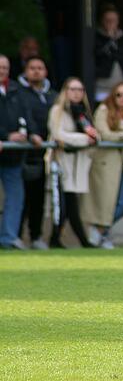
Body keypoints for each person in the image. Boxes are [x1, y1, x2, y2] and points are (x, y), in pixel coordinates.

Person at [80, 81, 123, 249]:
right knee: (106, 202)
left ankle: (100, 231)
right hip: (106, 163)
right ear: (113, 96)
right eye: (119, 94)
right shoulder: (104, 110)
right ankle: (101, 233)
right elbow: (104, 134)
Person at [47, 77, 97, 249]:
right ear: (66, 91)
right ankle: (80, 241)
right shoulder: (57, 111)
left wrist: (90, 138)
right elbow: (59, 135)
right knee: (64, 204)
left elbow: (94, 136)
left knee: (70, 204)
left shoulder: (83, 113)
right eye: (73, 89)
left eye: (80, 89)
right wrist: (84, 139)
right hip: (62, 163)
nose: (77, 93)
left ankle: (58, 239)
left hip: (79, 164)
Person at [0, 55, 42, 250]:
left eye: (5, 67)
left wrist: (32, 134)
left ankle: (8, 238)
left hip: (11, 156)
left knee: (16, 197)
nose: (3, 71)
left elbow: (27, 116)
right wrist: (6, 136)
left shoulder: (17, 91)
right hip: (6, 147)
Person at [17, 57, 57, 250]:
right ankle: (15, 236)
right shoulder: (18, 93)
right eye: (32, 68)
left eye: (40, 68)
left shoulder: (53, 95)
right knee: (20, 197)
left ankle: (35, 236)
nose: (36, 71)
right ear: (26, 71)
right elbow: (24, 116)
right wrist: (32, 134)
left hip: (44, 154)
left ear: (45, 72)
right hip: (24, 153)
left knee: (38, 198)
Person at [95, 5, 123, 101]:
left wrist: (114, 41)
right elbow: (98, 55)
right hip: (103, 85)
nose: (111, 23)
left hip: (122, 85)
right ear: (102, 21)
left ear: (118, 21)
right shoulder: (96, 37)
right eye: (108, 20)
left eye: (113, 20)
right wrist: (109, 40)